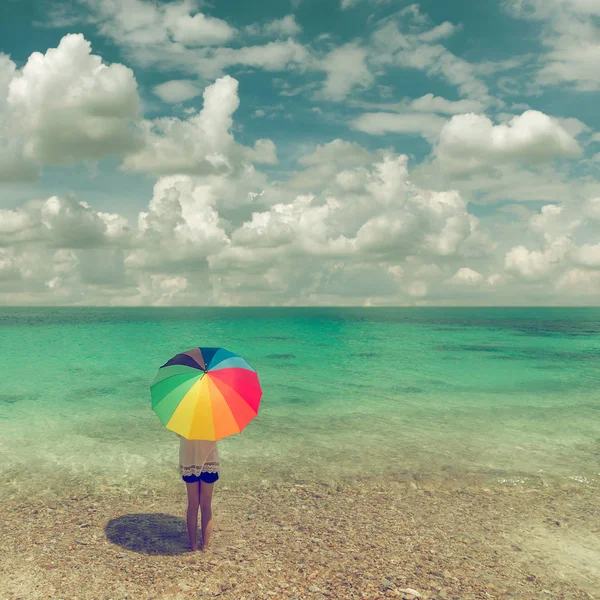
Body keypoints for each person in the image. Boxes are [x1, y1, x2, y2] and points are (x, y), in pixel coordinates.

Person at [178, 435, 220, 552]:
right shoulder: (212, 419)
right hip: (209, 461)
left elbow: (179, 433)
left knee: (192, 504)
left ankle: (193, 546)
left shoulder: (185, 418)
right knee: (206, 505)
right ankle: (205, 547)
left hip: (189, 462)